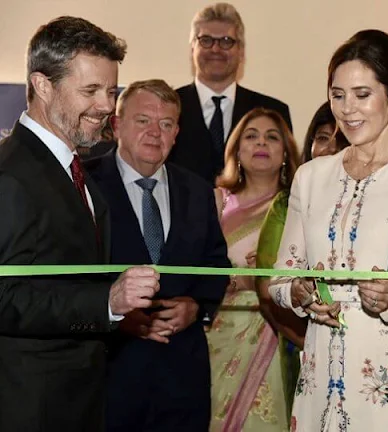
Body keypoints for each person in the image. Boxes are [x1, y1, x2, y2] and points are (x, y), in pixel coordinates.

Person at [269, 29, 388, 431]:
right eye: (337, 95)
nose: (347, 109)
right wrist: (300, 292)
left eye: (362, 94)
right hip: (320, 373)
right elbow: (278, 278)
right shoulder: (310, 177)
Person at [0, 16, 160, 431]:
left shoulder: (73, 169)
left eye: (111, 90)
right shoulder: (11, 175)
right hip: (29, 406)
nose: (107, 105)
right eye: (90, 90)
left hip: (79, 399)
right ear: (42, 86)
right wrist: (106, 302)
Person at [85, 79, 231, 432]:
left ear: (177, 132)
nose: (155, 132)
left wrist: (196, 307)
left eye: (166, 124)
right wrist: (116, 315)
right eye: (143, 121)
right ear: (116, 125)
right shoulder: (85, 185)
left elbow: (216, 264)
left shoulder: (197, 190)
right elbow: (71, 274)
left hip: (182, 381)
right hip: (109, 378)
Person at [254, 101, 349, 423]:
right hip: (301, 341)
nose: (331, 147)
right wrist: (310, 341)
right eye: (322, 137)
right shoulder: (286, 203)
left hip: (360, 348)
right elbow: (268, 286)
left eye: (341, 139)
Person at [206, 107, 300, 431]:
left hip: (276, 330)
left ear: (286, 153)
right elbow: (200, 266)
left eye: (272, 137)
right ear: (236, 150)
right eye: (251, 136)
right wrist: (238, 277)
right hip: (220, 331)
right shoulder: (218, 202)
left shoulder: (296, 206)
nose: (262, 143)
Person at [169, 2, 292, 184]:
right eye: (206, 40)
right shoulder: (169, 107)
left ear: (241, 51)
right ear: (192, 48)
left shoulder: (272, 111)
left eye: (226, 41)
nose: (216, 49)